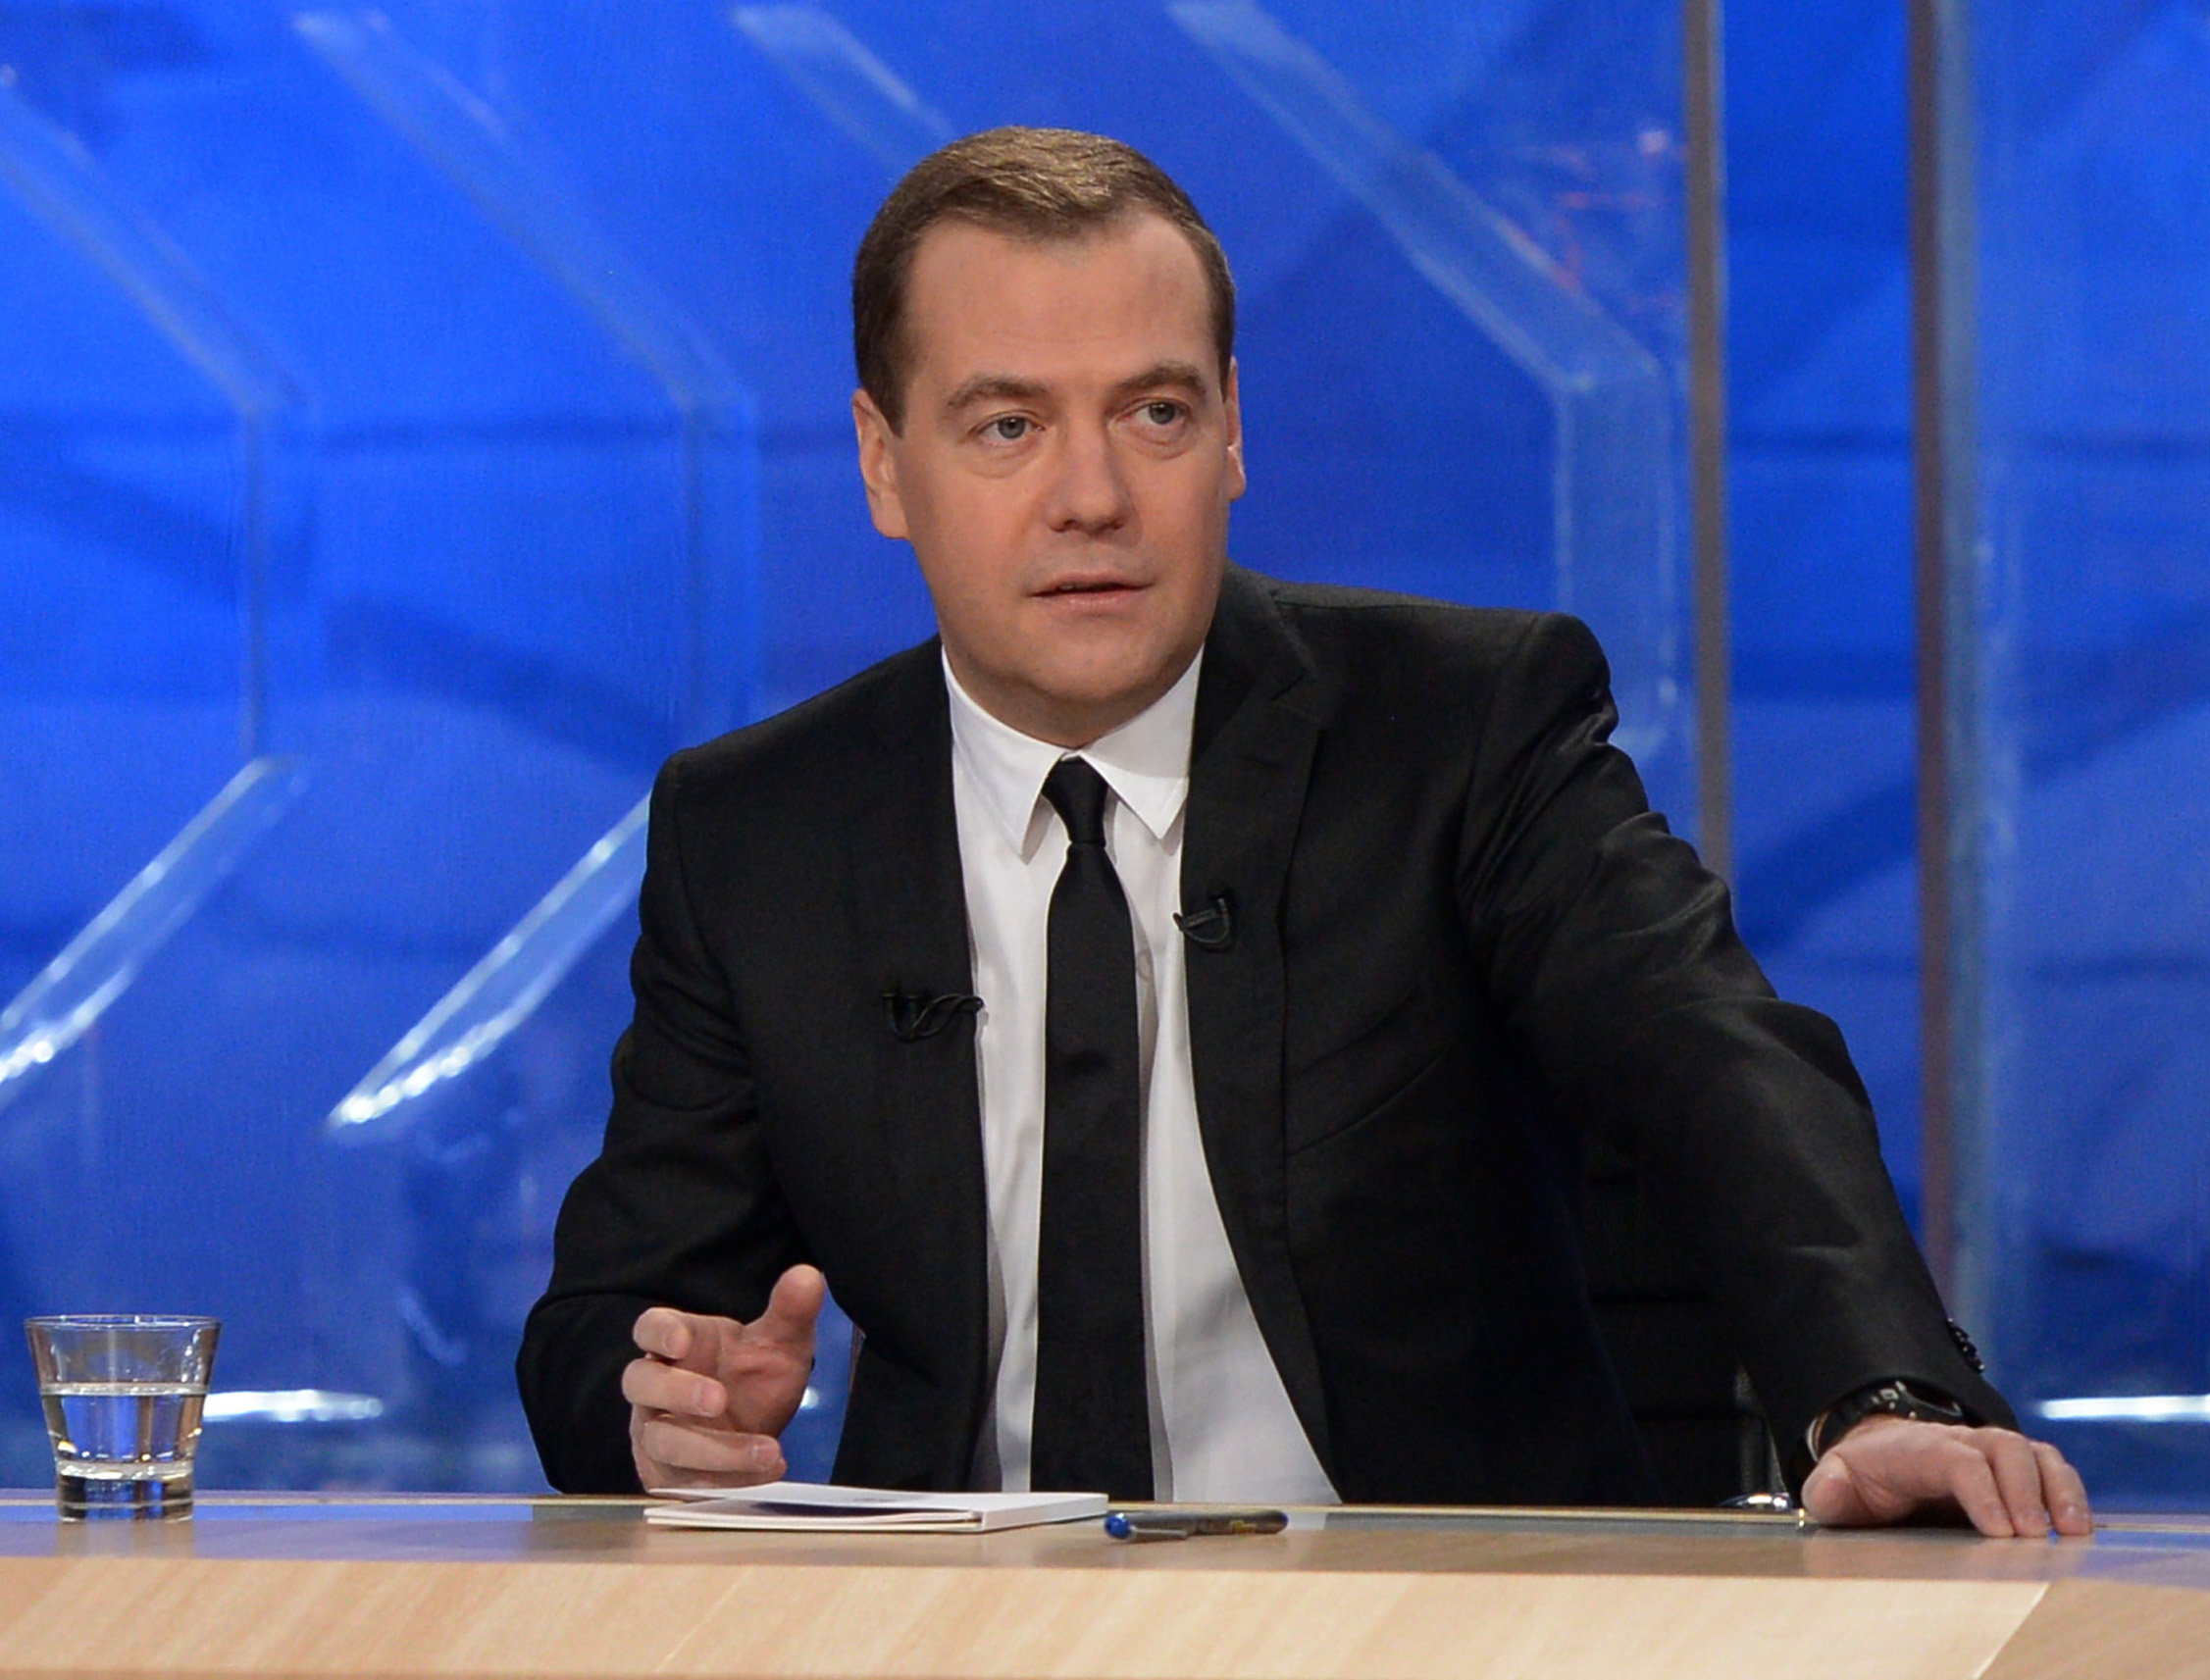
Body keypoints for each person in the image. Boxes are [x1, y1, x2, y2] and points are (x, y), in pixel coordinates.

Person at [519, 127, 2090, 1537]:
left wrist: (1878, 1390)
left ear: (1231, 436)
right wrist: (659, 1415)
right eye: (1006, 426)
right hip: (960, 1631)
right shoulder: (759, 833)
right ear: (884, 462)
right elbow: (610, 1317)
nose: (1091, 495)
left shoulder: (1464, 731)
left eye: (1153, 411)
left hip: (1440, 1621)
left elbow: (1716, 1061)